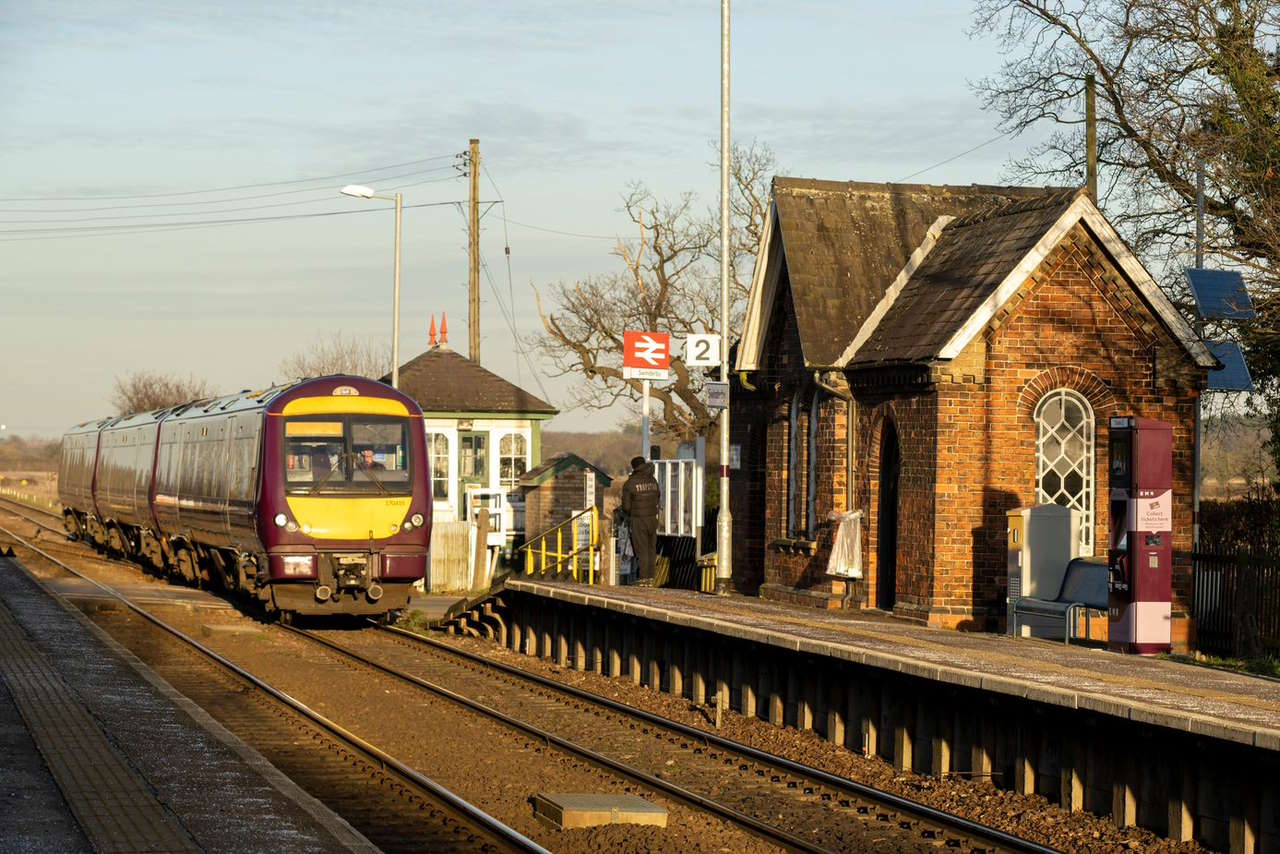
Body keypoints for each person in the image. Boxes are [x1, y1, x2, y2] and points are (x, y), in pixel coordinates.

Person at [621, 455, 659, 582]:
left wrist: (631, 513)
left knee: (641, 549)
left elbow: (626, 507)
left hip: (638, 519)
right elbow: (658, 497)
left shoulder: (630, 483)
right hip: (653, 519)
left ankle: (643, 578)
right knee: (651, 548)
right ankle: (651, 577)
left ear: (634, 467)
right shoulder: (653, 481)